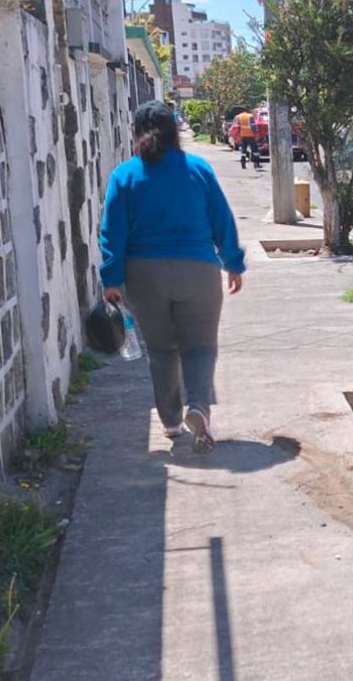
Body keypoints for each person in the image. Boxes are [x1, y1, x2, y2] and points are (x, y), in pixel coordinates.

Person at [100, 101, 246, 454]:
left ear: (136, 133)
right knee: (199, 347)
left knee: (162, 349)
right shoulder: (198, 169)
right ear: (174, 131)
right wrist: (233, 262)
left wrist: (112, 278)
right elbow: (221, 219)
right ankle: (197, 406)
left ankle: (169, 421)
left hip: (144, 274)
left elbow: (111, 232)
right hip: (198, 270)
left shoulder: (124, 175)